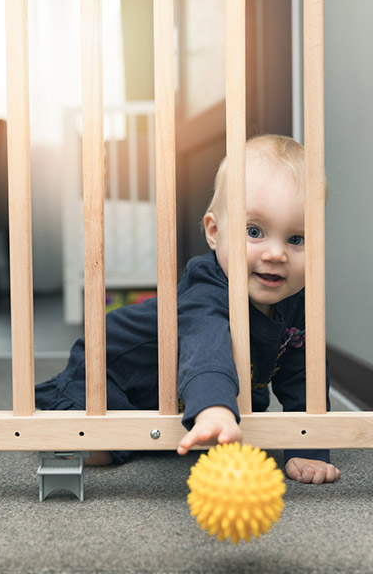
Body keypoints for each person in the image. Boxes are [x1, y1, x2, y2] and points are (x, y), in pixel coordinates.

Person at [36, 134, 340, 484]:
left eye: (296, 239)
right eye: (254, 231)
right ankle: (68, 422)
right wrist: (215, 411)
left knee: (246, 408)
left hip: (179, 391)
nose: (276, 254)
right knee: (103, 447)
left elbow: (303, 374)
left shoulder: (297, 301)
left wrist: (309, 446)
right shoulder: (205, 291)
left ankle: (196, 413)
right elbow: (205, 349)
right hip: (114, 374)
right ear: (214, 232)